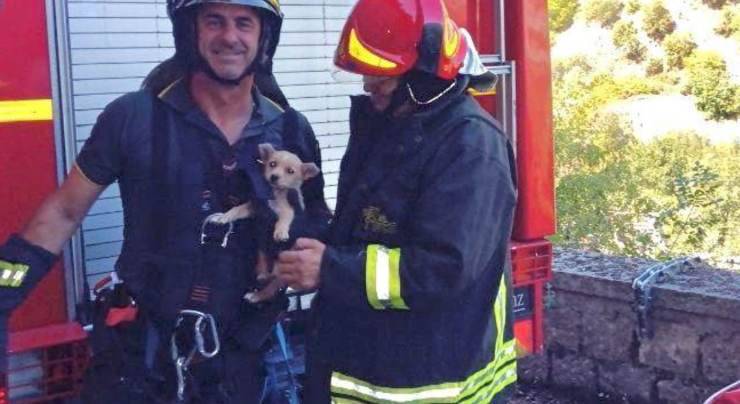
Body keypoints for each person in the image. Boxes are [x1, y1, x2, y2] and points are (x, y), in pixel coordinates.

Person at [0, 0, 330, 402]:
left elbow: (314, 219)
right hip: (142, 359)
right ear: (190, 30)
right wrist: (5, 289)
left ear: (264, 37)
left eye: (244, 23)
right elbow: (64, 211)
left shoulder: (292, 130)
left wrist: (315, 265)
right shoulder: (132, 117)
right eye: (214, 21)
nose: (230, 36)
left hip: (244, 360)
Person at [275, 0, 519, 402]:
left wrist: (331, 270)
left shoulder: (472, 147)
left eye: (381, 76)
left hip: (430, 383)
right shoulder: (391, 124)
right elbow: (368, 229)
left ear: (422, 79)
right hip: (372, 363)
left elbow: (444, 269)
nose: (368, 85)